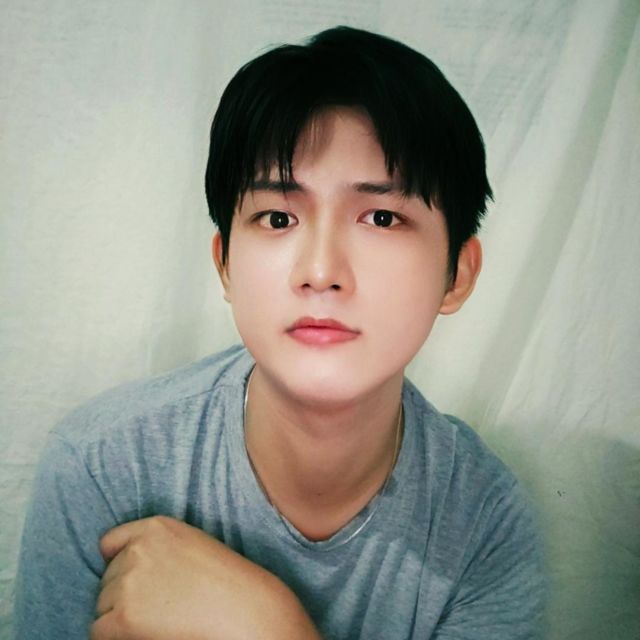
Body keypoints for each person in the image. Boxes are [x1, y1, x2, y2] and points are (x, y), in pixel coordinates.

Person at [14, 26, 546, 639]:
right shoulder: (102, 468)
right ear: (225, 264)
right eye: (276, 218)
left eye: (381, 217)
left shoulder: (487, 526)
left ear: (458, 274)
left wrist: (270, 628)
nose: (320, 270)